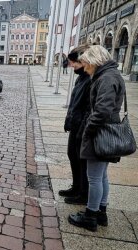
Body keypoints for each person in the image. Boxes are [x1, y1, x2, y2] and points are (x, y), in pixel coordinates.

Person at [68, 45, 126, 231]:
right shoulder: (110, 75)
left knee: (94, 177)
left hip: (99, 132)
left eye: (85, 63)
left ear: (94, 61)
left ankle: (91, 215)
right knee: (101, 176)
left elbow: (101, 111)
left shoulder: (106, 78)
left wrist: (88, 130)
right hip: (105, 131)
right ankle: (101, 211)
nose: (84, 68)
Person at [59, 44, 91, 205]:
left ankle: (83, 194)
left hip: (83, 127)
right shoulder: (82, 77)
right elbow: (75, 103)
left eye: (74, 63)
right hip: (75, 125)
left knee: (82, 161)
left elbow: (89, 107)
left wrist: (82, 127)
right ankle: (76, 187)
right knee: (72, 155)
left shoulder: (91, 78)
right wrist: (69, 120)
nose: (71, 66)